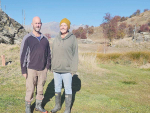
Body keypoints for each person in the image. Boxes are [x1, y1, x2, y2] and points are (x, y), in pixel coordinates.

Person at [20, 16, 50, 113]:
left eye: (39, 23)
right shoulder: (27, 38)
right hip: (31, 69)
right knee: (30, 89)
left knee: (40, 89)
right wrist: (23, 70)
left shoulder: (45, 39)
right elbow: (23, 55)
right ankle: (28, 107)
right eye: (36, 23)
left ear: (41, 24)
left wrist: (47, 66)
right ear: (32, 24)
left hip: (42, 69)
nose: (37, 25)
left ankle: (38, 106)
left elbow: (49, 54)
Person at [51, 18, 78, 113]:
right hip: (56, 68)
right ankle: (57, 106)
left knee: (68, 88)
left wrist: (73, 69)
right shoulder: (56, 38)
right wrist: (52, 66)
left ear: (68, 27)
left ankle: (67, 109)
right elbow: (53, 52)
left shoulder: (72, 38)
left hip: (67, 69)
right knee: (57, 87)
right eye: (61, 25)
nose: (62, 27)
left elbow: (75, 54)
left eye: (65, 25)